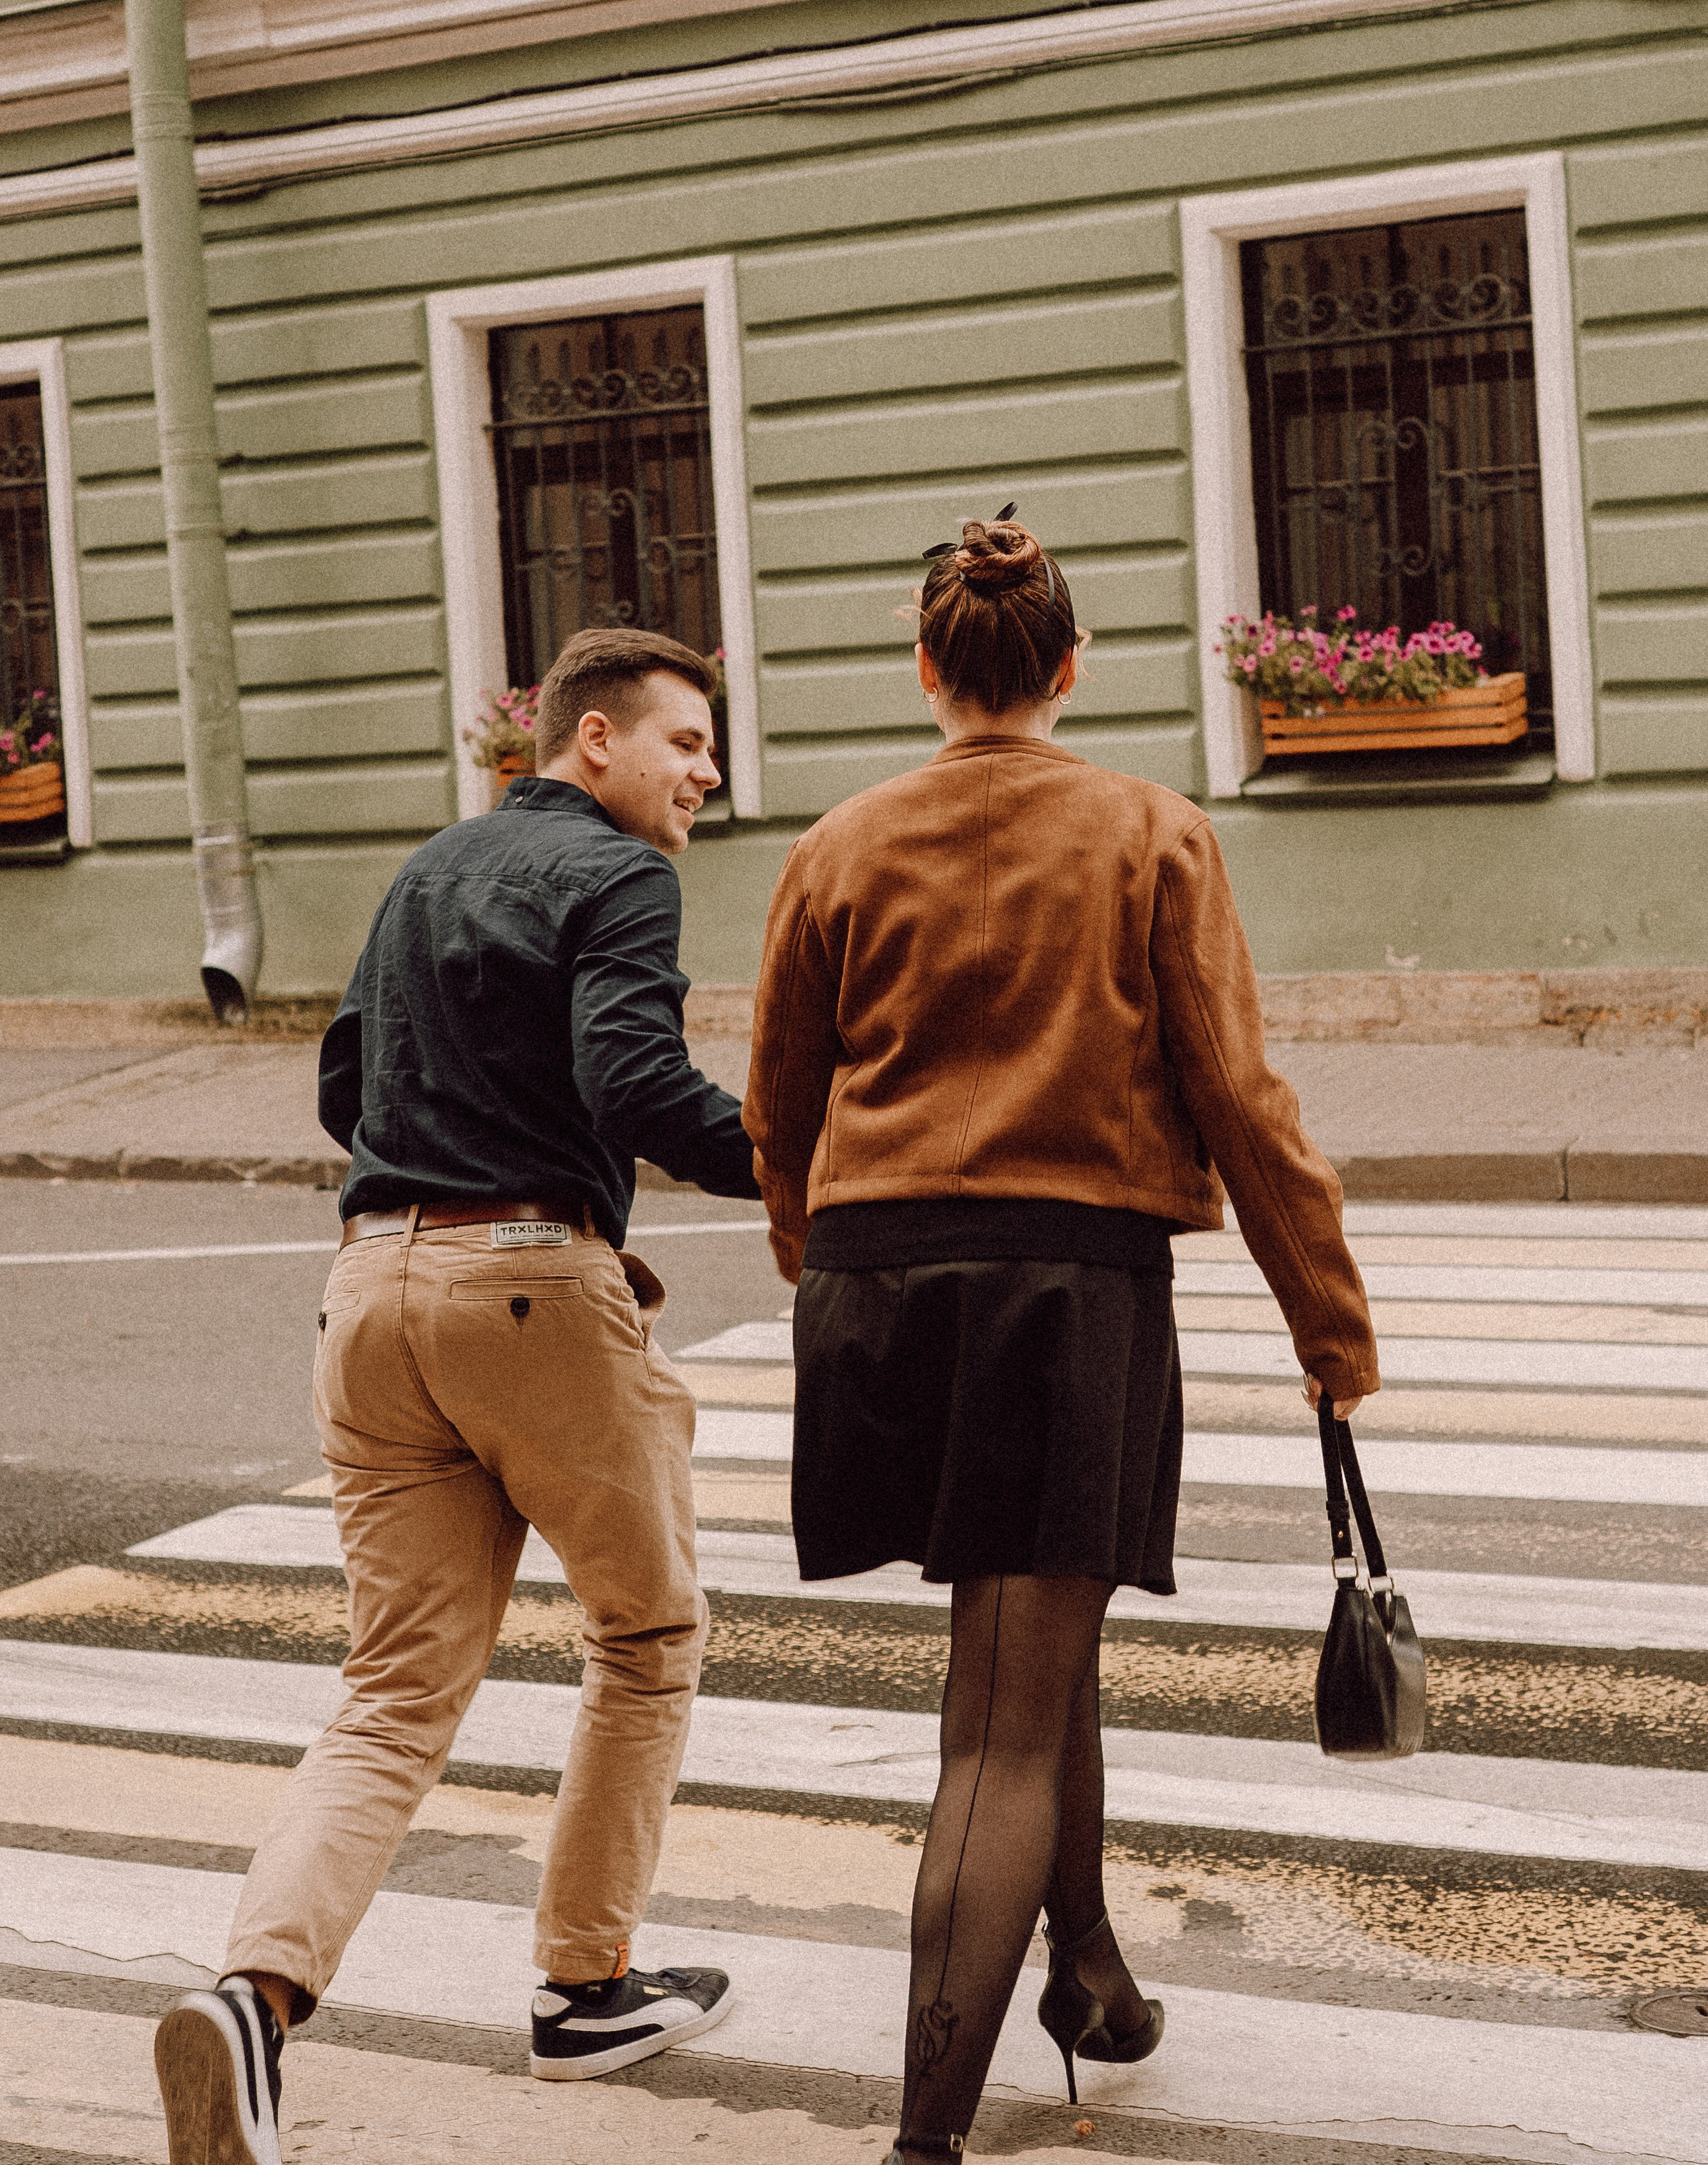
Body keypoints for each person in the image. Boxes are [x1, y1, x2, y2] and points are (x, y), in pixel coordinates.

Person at [744, 516, 1380, 2162]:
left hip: (876, 1286)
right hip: (1060, 1286)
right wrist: (1328, 1324)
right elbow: (1238, 1099)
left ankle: (1086, 1971)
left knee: (1032, 1631)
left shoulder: (836, 843)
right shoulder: (1145, 830)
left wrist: (821, 1265)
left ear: (927, 668)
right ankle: (924, 2143)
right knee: (997, 1726)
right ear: (1068, 666)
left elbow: (778, 1104)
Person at [154, 627, 759, 2165]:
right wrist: (808, 1170)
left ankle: (252, 2003)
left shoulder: (429, 868)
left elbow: (346, 1088)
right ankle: (586, 1989)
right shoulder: (621, 877)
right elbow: (635, 1083)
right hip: (525, 1279)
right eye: (685, 742)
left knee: (393, 1693)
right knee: (647, 1631)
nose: (706, 772)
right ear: (595, 740)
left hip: (368, 1295)